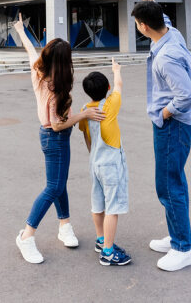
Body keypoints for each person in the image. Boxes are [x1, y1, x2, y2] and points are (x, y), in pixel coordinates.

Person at [11, 14, 104, 264]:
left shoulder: (38, 70)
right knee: (53, 187)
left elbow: (30, 49)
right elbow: (57, 124)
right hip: (55, 137)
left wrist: (21, 30)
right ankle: (26, 235)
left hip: (51, 137)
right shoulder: (54, 88)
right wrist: (84, 114)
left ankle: (65, 225)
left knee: (59, 183)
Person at [133, 0, 191, 272]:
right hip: (174, 125)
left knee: (169, 185)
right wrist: (150, 1)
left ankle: (183, 247)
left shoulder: (166, 57)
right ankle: (176, 236)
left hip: (173, 125)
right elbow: (164, 19)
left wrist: (164, 113)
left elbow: (186, 96)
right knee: (172, 182)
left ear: (144, 27)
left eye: (138, 23)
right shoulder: (171, 33)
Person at [77, 62, 131, 266]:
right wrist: (117, 70)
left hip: (95, 162)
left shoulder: (85, 110)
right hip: (111, 164)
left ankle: (101, 239)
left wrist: (93, 154)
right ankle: (108, 251)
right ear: (107, 87)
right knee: (112, 207)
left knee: (98, 202)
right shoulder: (109, 106)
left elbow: (87, 136)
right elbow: (119, 85)